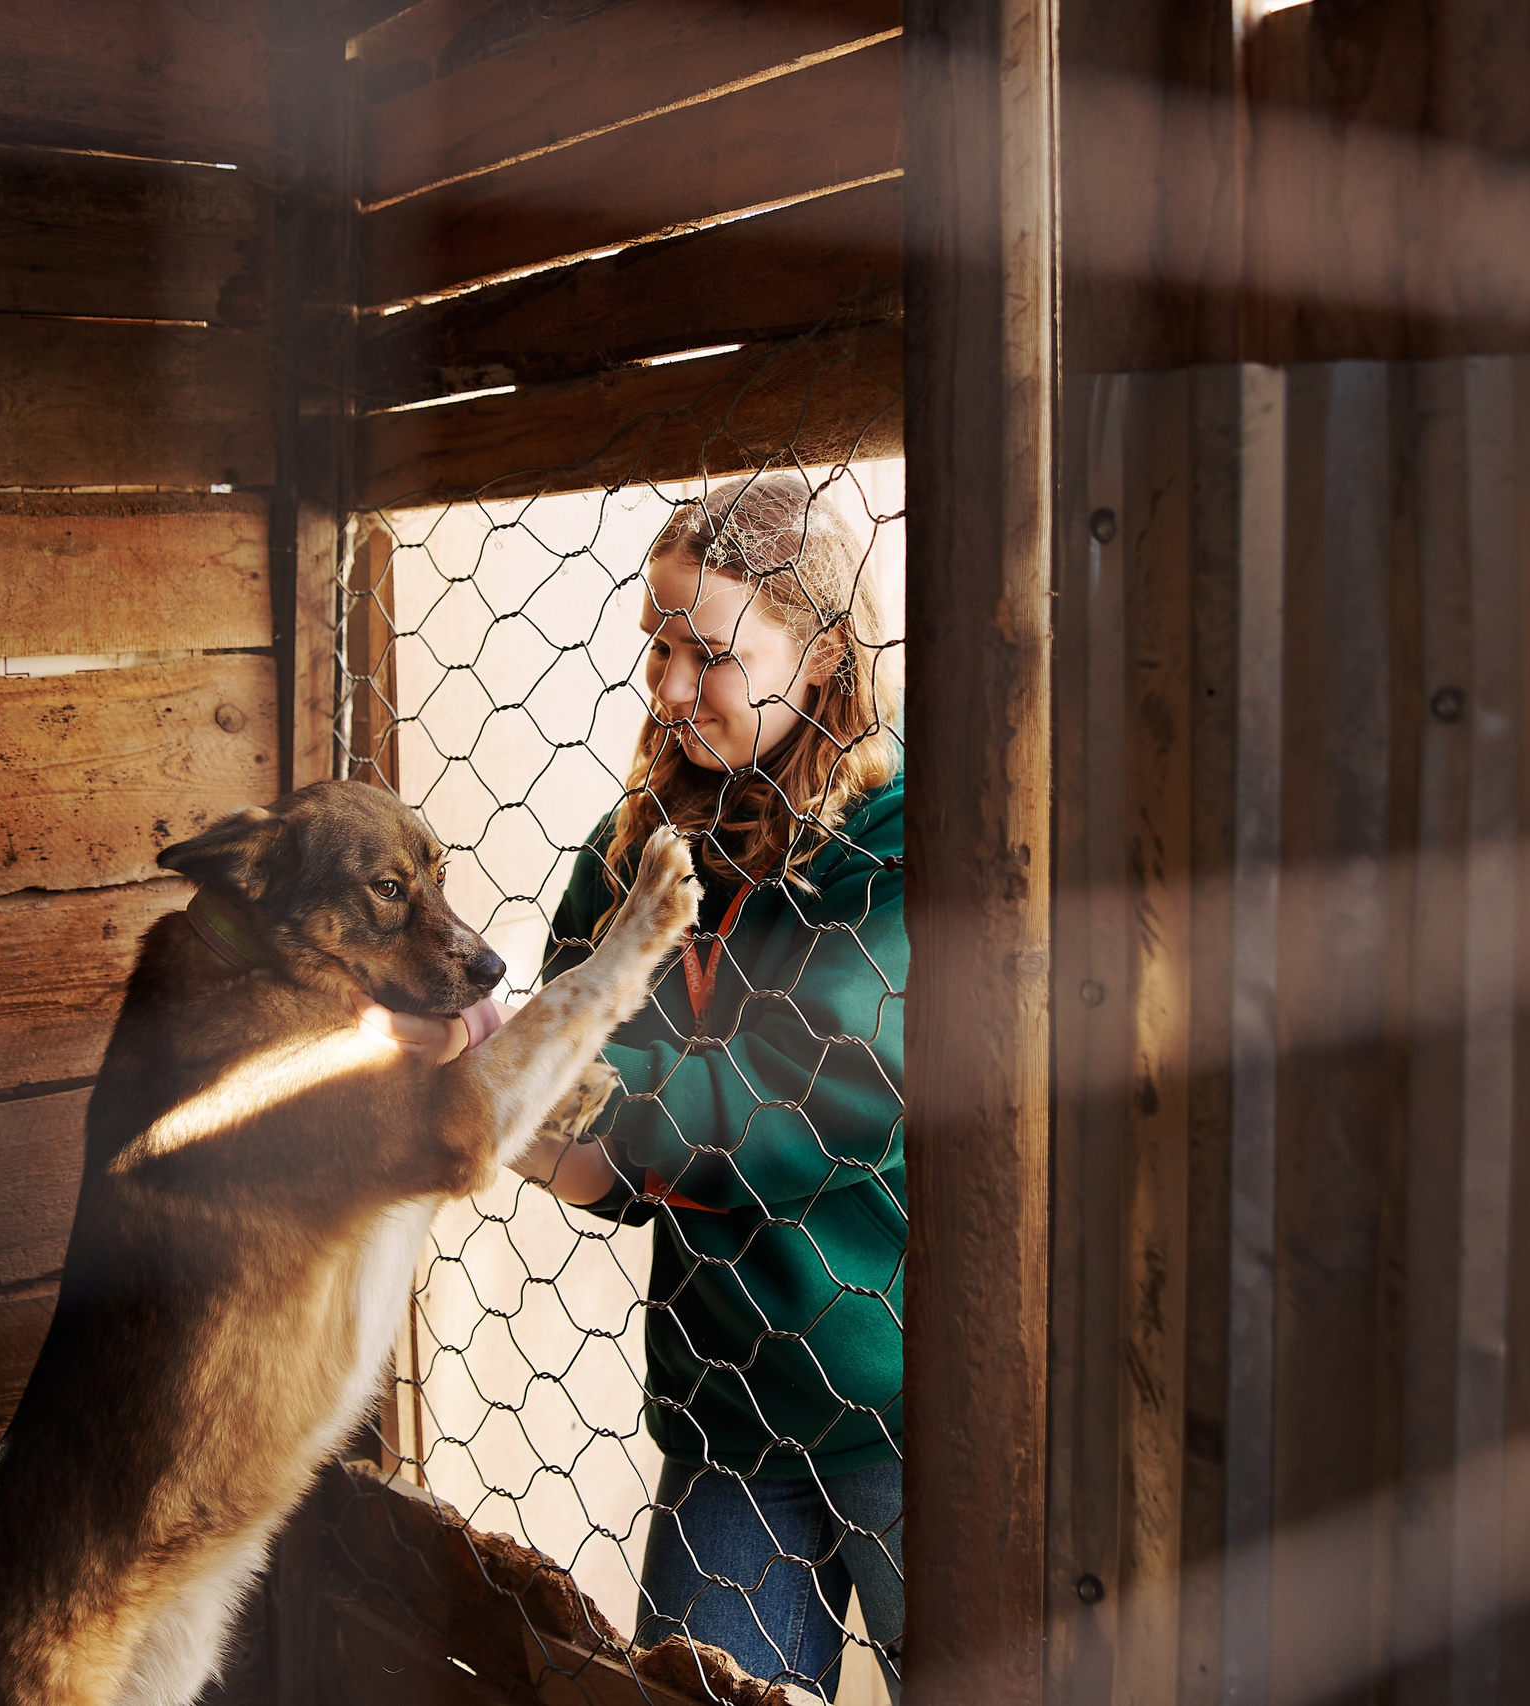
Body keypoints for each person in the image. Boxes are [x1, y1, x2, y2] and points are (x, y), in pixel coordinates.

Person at [506, 470, 907, 1702]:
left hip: (909, 1408)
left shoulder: (905, 849)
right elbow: (572, 1134)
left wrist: (510, 1089)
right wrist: (507, 1084)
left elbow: (795, 1111)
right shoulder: (636, 850)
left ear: (826, 655)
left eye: (709, 653)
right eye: (656, 646)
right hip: (725, 1414)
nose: (670, 687)